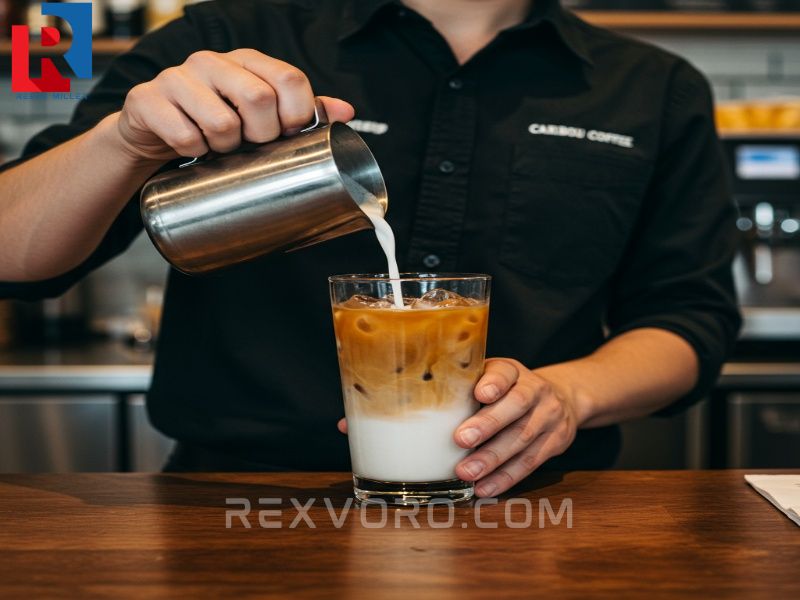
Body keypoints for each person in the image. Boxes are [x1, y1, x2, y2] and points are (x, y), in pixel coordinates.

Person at [0, 0, 740, 497]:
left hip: (533, 507)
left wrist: (571, 395)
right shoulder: (224, 36)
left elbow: (688, 319)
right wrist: (124, 142)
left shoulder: (653, 86)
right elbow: (15, 260)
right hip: (236, 504)